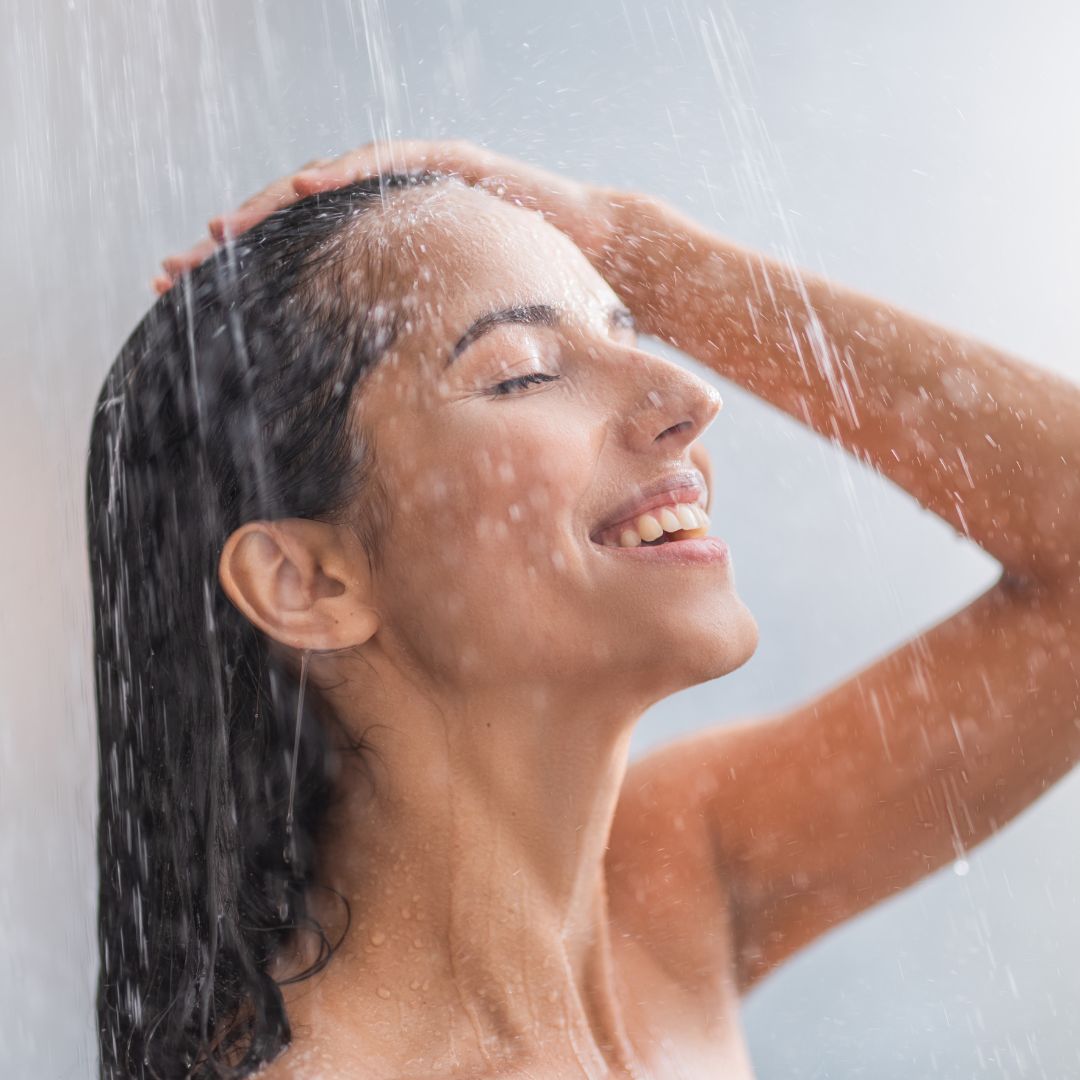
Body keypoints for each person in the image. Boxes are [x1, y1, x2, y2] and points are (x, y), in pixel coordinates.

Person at [89, 140, 1080, 1080]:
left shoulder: (668, 887)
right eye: (521, 369)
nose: (690, 394)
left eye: (629, 330)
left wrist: (637, 249)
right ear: (309, 583)